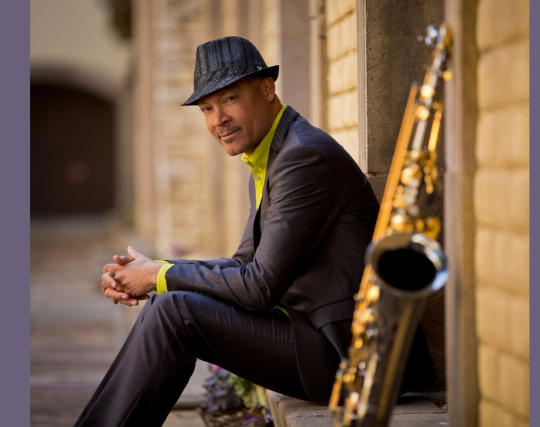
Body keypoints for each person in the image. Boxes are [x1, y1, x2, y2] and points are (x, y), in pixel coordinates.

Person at [74, 36, 436, 427]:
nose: (217, 120)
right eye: (207, 108)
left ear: (267, 89)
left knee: (174, 311)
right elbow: (243, 265)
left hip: (352, 356)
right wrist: (154, 271)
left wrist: (159, 276)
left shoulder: (302, 158)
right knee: (169, 303)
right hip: (317, 337)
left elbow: (258, 287)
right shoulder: (273, 156)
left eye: (229, 99)